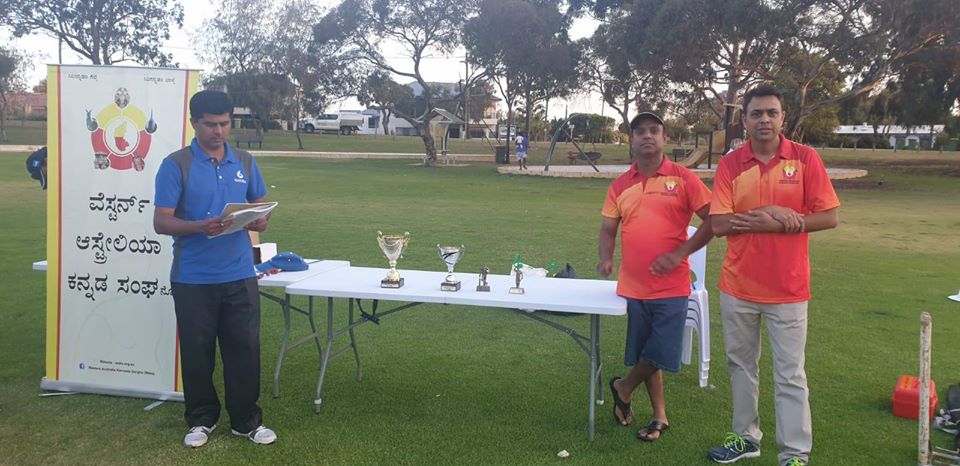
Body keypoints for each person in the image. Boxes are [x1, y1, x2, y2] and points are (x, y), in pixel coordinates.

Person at [706, 85, 839, 466]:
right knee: (741, 368)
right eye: (756, 113)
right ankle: (745, 438)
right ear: (744, 119)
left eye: (771, 113)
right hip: (738, 286)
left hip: (788, 288)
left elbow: (829, 216)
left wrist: (777, 223)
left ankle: (795, 452)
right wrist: (773, 211)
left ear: (783, 117)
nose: (764, 119)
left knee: (790, 374)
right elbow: (719, 224)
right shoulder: (732, 164)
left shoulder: (805, 159)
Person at [153, 90, 276, 448]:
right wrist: (199, 227)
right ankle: (201, 419)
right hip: (193, 277)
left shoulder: (245, 161)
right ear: (194, 123)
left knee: (244, 351)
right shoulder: (176, 165)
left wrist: (261, 220)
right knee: (197, 353)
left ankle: (246, 421)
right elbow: (161, 222)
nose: (219, 131)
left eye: (224, 123)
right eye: (210, 124)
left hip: (240, 274)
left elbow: (259, 206)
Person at [598, 112, 713, 442]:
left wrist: (681, 252)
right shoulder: (620, 185)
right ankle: (659, 415)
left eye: (654, 130)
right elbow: (608, 229)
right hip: (634, 285)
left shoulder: (684, 178)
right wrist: (606, 258)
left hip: (673, 285)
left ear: (665, 138)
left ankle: (623, 387)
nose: (647, 136)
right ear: (632, 140)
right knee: (648, 351)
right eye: (640, 132)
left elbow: (713, 220)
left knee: (660, 349)